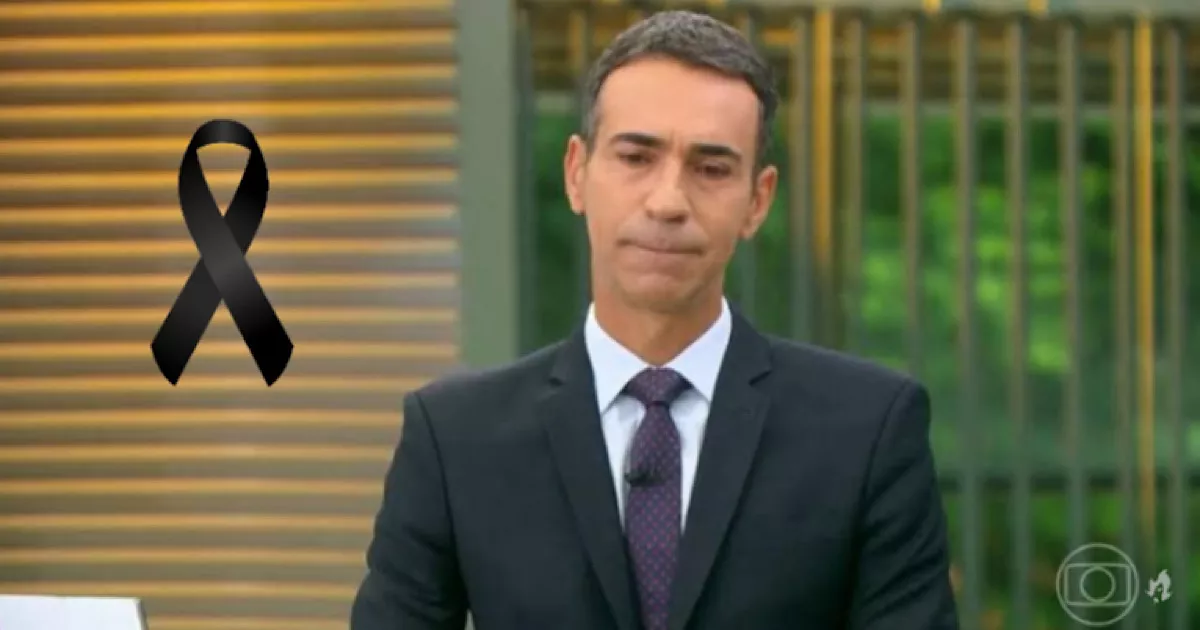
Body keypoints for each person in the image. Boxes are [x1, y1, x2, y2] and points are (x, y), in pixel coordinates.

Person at [350, 9, 958, 630]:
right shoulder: (455, 438)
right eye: (637, 157)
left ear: (758, 200)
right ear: (577, 174)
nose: (668, 201)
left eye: (711, 168)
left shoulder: (868, 431)